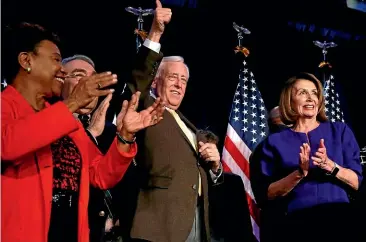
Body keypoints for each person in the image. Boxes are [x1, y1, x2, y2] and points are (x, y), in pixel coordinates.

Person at [1, 22, 165, 242]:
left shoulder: (64, 119)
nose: (61, 69)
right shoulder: (6, 105)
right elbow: (7, 145)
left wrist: (125, 135)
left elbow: (99, 175)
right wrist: (73, 103)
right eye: (56, 59)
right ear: (26, 60)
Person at [126, 1, 223, 241]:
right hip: (160, 222)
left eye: (184, 80)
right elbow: (137, 83)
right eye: (173, 77)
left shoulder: (188, 124)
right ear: (156, 81)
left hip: (196, 220)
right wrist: (156, 33)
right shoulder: (146, 107)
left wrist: (215, 167)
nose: (180, 84)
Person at [252, 72, 363, 241]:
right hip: (296, 225)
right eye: (303, 93)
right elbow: (266, 193)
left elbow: (355, 182)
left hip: (340, 219)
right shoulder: (273, 142)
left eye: (314, 93)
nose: (310, 98)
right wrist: (299, 173)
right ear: (289, 101)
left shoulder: (340, 131)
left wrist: (331, 166)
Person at [61, 54, 119, 242]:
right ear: (60, 82)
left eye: (93, 78)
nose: (88, 83)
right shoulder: (46, 124)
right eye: (79, 75)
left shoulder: (115, 131)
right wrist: (90, 135)